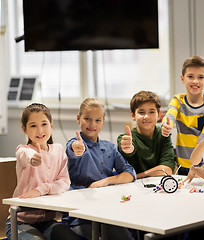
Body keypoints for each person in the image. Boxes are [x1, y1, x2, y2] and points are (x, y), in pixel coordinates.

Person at [63, 98, 136, 240]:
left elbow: (129, 173)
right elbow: (73, 149)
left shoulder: (110, 147)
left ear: (103, 121)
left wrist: (107, 181)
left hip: (106, 211)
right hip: (80, 215)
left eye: (98, 120)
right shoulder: (75, 143)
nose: (92, 124)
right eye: (87, 119)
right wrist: (77, 149)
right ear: (78, 119)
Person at [5, 103, 80, 240]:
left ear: (51, 125)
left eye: (44, 124)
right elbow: (25, 155)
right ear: (24, 128)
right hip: (20, 222)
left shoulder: (58, 150)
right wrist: (33, 158)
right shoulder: (23, 150)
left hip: (48, 222)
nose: (40, 131)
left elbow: (64, 182)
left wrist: (41, 189)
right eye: (33, 126)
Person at [161, 56, 204, 175]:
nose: (195, 81)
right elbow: (170, 115)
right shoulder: (177, 100)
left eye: (200, 77)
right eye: (190, 76)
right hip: (183, 165)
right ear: (182, 79)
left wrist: (197, 161)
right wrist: (165, 124)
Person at [117, 91, 175, 179]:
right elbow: (129, 150)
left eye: (151, 112)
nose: (146, 116)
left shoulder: (163, 135)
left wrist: (136, 176)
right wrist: (128, 150)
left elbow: (167, 170)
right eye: (141, 112)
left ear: (158, 115)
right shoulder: (125, 139)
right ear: (133, 115)